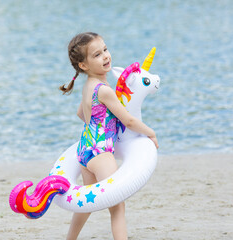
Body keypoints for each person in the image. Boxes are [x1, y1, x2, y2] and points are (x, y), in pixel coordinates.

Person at [60, 32, 159, 240]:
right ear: (84, 65)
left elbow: (81, 113)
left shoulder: (89, 86)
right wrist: (151, 132)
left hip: (85, 150)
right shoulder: (104, 90)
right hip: (101, 153)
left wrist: (99, 123)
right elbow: (129, 120)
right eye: (97, 55)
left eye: (105, 50)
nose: (105, 56)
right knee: (117, 207)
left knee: (86, 205)